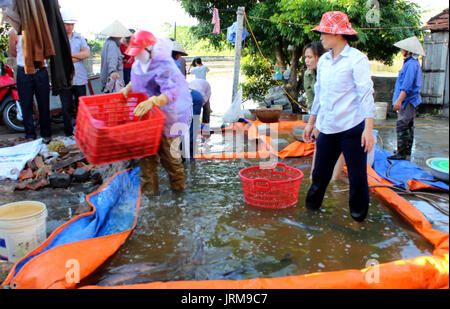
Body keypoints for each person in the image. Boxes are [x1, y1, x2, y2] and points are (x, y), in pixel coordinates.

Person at [303, 11, 376, 222]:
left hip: (352, 128)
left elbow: (365, 94)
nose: (321, 37)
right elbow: (319, 93)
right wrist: (311, 122)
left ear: (339, 35)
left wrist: (368, 130)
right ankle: (310, 216)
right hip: (327, 127)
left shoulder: (357, 59)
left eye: (325, 32)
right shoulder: (324, 60)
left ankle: (358, 222)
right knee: (318, 176)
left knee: (357, 178)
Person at [120, 30, 193, 196]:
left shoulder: (165, 65)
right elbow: (140, 80)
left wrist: (153, 101)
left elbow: (173, 92)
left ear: (149, 49)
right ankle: (150, 196)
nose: (136, 56)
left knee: (171, 159)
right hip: (148, 118)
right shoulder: (139, 63)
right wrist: (128, 88)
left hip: (169, 117)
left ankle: (179, 196)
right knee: (147, 158)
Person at [303, 42, 345, 182]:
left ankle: (334, 180)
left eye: (310, 57)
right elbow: (313, 100)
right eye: (305, 57)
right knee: (319, 141)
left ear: (321, 57)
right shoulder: (309, 75)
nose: (306, 60)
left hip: (342, 113)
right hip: (323, 112)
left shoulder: (334, 70)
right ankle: (315, 178)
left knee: (341, 147)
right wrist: (313, 122)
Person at [8, 29, 52, 143]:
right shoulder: (15, 31)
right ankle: (30, 134)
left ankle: (46, 134)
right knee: (26, 104)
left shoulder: (40, 27)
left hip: (40, 70)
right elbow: (13, 51)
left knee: (44, 103)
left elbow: (48, 49)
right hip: (24, 71)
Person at [388, 36, 425, 161]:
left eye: (403, 49)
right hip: (411, 100)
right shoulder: (412, 63)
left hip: (408, 100)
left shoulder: (411, 65)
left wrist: (399, 100)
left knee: (402, 124)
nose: (401, 51)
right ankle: (404, 150)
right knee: (408, 124)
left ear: (408, 51)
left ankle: (402, 153)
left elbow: (407, 86)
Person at [59, 10, 90, 137]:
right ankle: (68, 132)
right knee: (66, 107)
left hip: (80, 77)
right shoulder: (59, 40)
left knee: (81, 106)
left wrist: (69, 56)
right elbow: (59, 58)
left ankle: (82, 130)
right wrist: (79, 57)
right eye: (67, 24)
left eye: (72, 24)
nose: (70, 26)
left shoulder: (80, 38)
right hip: (65, 77)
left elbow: (86, 54)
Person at [99, 20, 131, 92]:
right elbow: (112, 59)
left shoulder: (108, 42)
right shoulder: (112, 45)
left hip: (109, 79)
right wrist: (113, 71)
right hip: (113, 81)